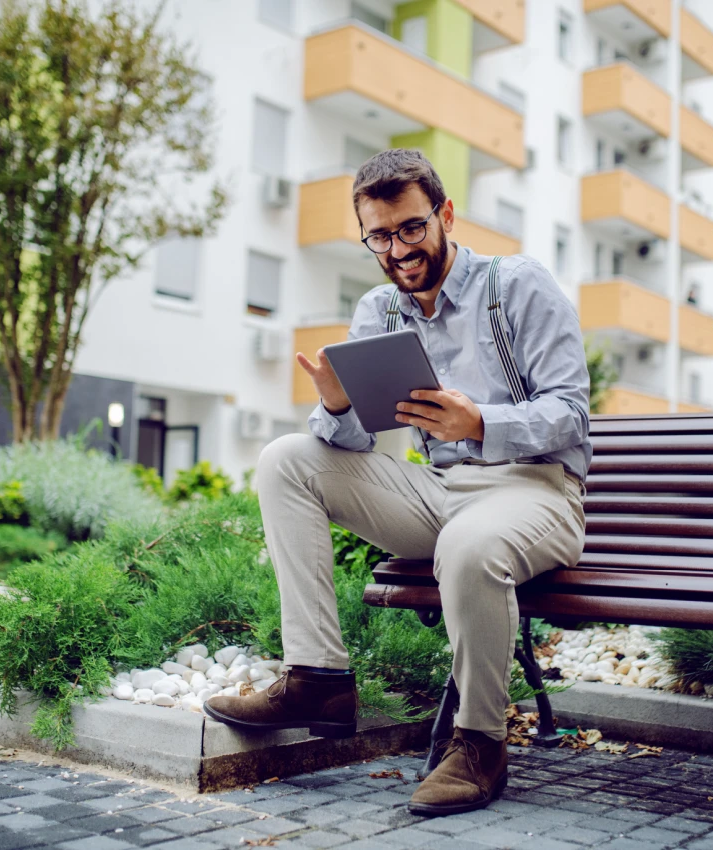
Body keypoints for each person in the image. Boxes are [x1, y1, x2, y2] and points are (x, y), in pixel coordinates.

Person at [204, 149, 591, 816]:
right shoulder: (380, 309)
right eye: (379, 236)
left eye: (411, 228)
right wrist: (336, 407)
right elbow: (355, 445)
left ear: (444, 214)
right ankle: (317, 677)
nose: (398, 248)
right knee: (286, 458)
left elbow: (571, 412)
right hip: (442, 493)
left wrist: (481, 421)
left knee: (469, 545)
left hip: (535, 488)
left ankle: (479, 743)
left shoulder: (518, 284)